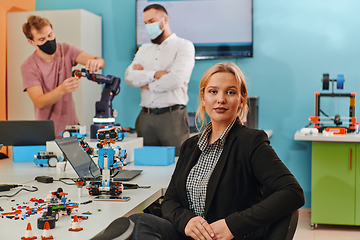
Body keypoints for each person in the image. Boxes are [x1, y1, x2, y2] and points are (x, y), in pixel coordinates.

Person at [94, 62, 305, 240]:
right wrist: (187, 221)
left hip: (224, 237)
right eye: (213, 91)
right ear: (204, 98)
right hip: (188, 235)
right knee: (138, 223)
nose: (221, 99)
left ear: (241, 100)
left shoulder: (251, 141)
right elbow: (171, 201)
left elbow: (292, 192)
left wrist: (232, 225)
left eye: (230, 92)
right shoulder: (191, 145)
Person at [125, 4, 195, 156]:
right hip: (145, 118)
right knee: (145, 165)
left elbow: (176, 79)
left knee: (179, 164)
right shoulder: (144, 49)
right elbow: (129, 77)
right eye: (145, 23)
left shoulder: (184, 46)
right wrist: (156, 74)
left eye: (152, 21)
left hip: (173, 118)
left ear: (165, 20)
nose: (148, 26)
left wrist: (145, 82)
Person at [21, 15, 105, 138]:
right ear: (31, 42)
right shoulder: (29, 65)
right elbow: (39, 102)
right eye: (41, 39)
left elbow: (99, 61)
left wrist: (96, 62)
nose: (48, 41)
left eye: (50, 35)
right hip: (47, 133)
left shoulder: (66, 49)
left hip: (72, 129)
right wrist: (62, 89)